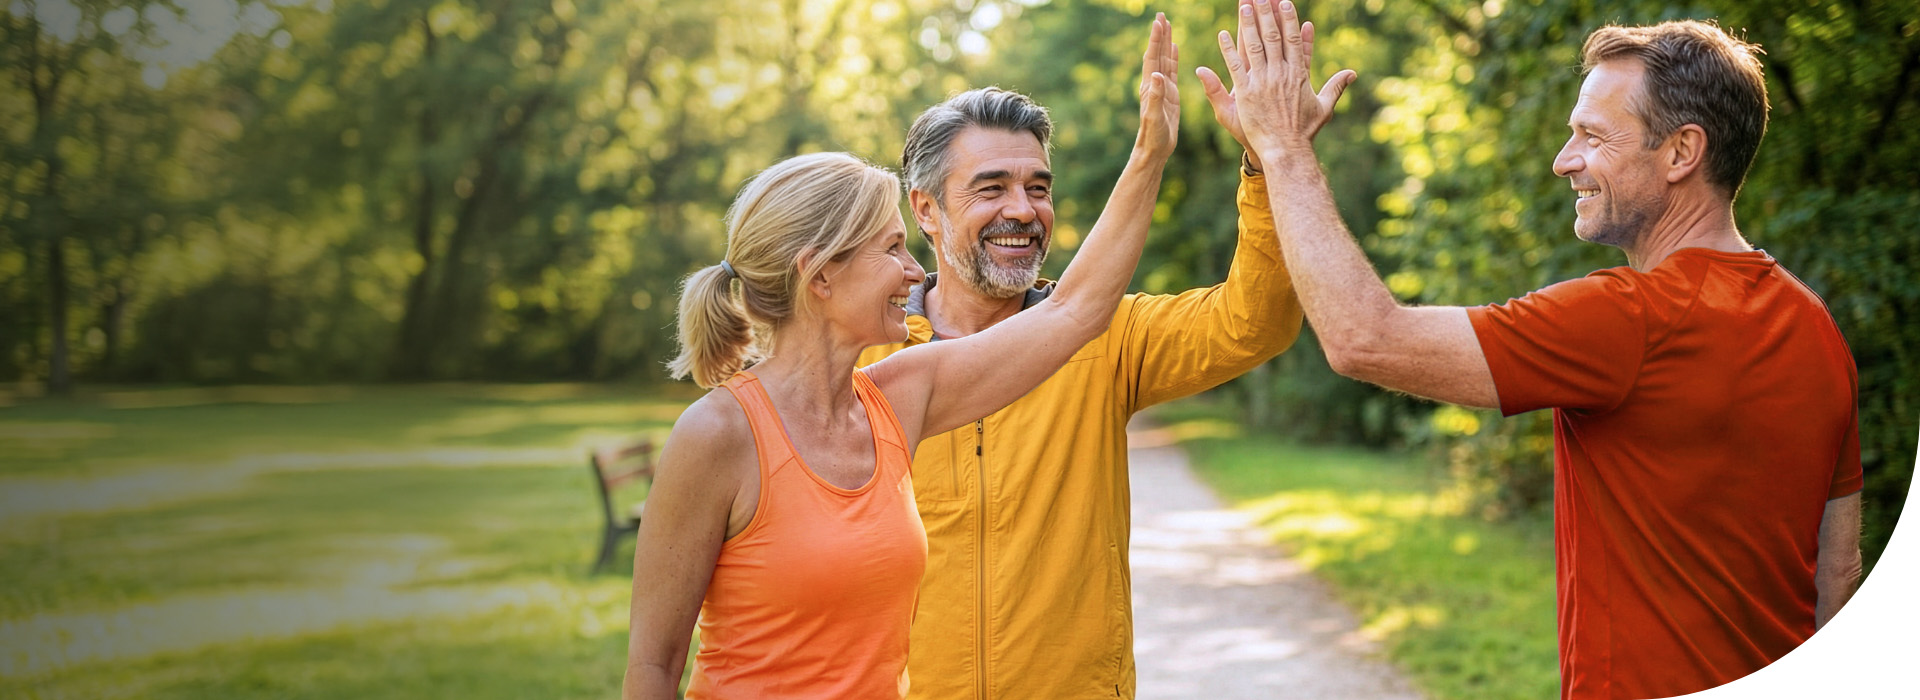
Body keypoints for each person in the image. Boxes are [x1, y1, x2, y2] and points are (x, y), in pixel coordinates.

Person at [1219, 2, 1863, 698]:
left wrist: (1281, 148)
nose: (1565, 162)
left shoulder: (1630, 319)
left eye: (1592, 135)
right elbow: (1838, 571)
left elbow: (1363, 338)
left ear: (1682, 152)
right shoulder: (1815, 326)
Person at [620, 15, 1183, 700]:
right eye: (892, 249)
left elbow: (1074, 311)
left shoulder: (900, 396)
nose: (915, 273)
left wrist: (1151, 152)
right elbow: (653, 666)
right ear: (820, 275)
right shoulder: (716, 437)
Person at [853, 18, 1311, 700]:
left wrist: (1266, 162)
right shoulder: (864, 354)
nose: (1022, 210)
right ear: (925, 209)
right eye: (990, 188)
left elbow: (1256, 323)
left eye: (1037, 187)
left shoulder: (1104, 335)